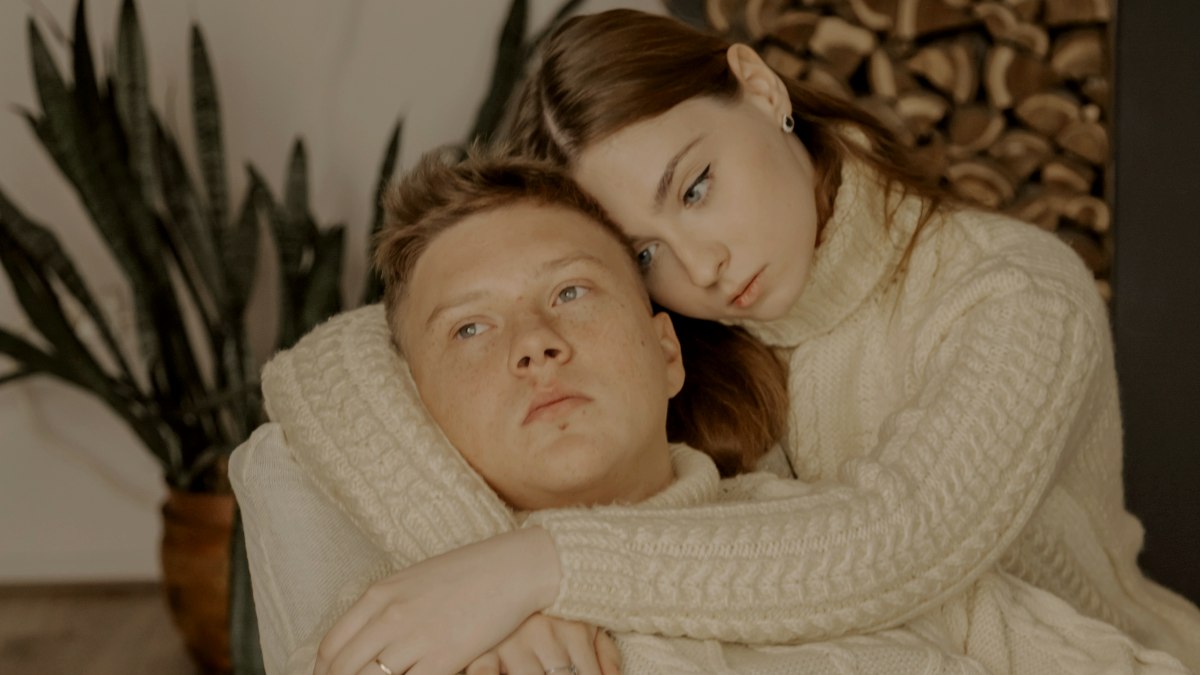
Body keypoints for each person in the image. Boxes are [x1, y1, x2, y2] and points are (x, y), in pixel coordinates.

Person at [289, 8, 1200, 673]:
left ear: (761, 90)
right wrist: (478, 580)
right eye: (642, 249)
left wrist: (531, 568)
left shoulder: (1016, 287)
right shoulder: (667, 323)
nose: (705, 264)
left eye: (694, 187)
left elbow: (902, 541)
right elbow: (346, 358)